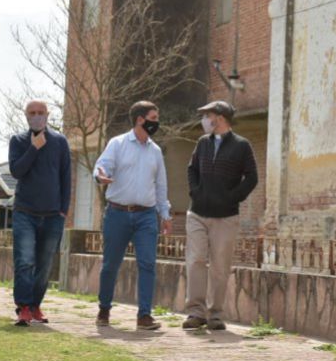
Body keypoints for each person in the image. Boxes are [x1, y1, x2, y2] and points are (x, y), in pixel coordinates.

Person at [93, 100, 173, 330]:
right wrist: (101, 176)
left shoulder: (156, 151)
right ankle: (104, 308)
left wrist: (164, 214)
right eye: (154, 119)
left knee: (148, 263)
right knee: (110, 264)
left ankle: (144, 315)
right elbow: (102, 166)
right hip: (117, 214)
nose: (157, 123)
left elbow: (161, 185)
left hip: (146, 216)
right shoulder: (117, 144)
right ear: (140, 119)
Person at [182, 100, 257, 331]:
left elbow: (252, 177)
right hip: (197, 213)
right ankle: (195, 313)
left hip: (225, 217)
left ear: (221, 118)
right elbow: (191, 169)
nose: (204, 119)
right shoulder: (202, 143)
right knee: (195, 260)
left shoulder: (242, 146)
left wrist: (232, 197)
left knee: (220, 266)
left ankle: (215, 315)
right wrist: (195, 191)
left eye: (208, 115)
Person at [8, 100, 71, 326]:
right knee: (25, 260)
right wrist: (34, 148)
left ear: (48, 115)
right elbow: (16, 171)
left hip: (53, 214)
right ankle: (23, 307)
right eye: (32, 113)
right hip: (25, 211)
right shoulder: (18, 141)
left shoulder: (60, 142)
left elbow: (66, 177)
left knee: (44, 264)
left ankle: (35, 305)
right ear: (26, 116)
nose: (37, 116)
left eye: (41, 113)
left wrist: (64, 210)